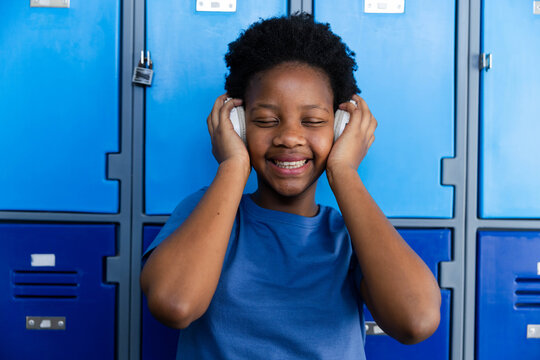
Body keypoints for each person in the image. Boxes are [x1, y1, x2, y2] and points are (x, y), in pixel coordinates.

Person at [140, 13, 441, 360]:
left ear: (341, 128)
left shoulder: (351, 235)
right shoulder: (202, 213)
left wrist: (343, 170)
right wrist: (233, 164)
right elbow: (175, 304)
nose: (289, 138)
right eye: (266, 121)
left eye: (313, 121)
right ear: (237, 125)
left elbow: (416, 320)